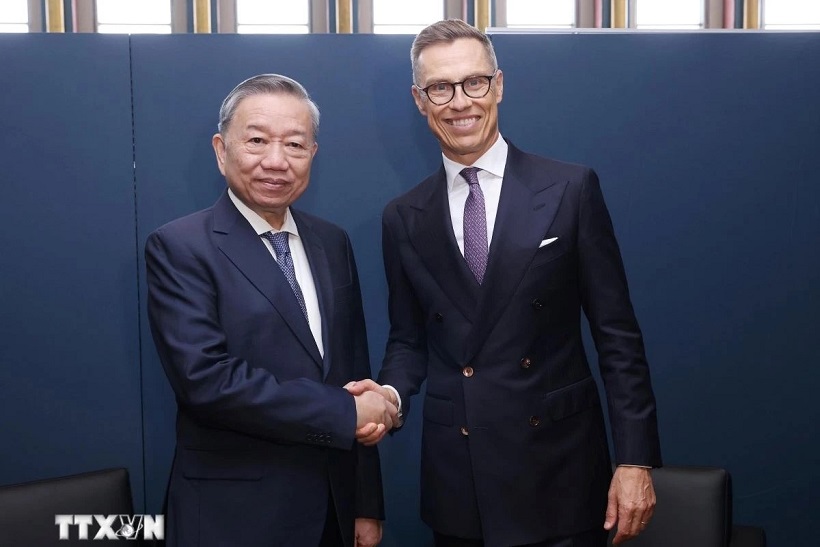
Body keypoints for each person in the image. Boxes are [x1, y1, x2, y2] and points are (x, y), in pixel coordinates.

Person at [347, 19, 661, 547]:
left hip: (559, 472)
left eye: (474, 82)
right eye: (440, 88)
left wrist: (635, 458)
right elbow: (408, 340)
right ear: (420, 101)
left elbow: (618, 337)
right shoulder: (403, 216)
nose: (460, 102)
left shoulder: (569, 189)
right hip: (459, 480)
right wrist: (391, 395)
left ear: (498, 85)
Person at [145, 74, 396, 547]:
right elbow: (206, 382)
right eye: (257, 141)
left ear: (313, 154)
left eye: (295, 144)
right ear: (221, 150)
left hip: (333, 510)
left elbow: (352, 369)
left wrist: (365, 501)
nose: (276, 161)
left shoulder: (332, 242)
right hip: (233, 517)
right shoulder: (180, 246)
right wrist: (344, 410)